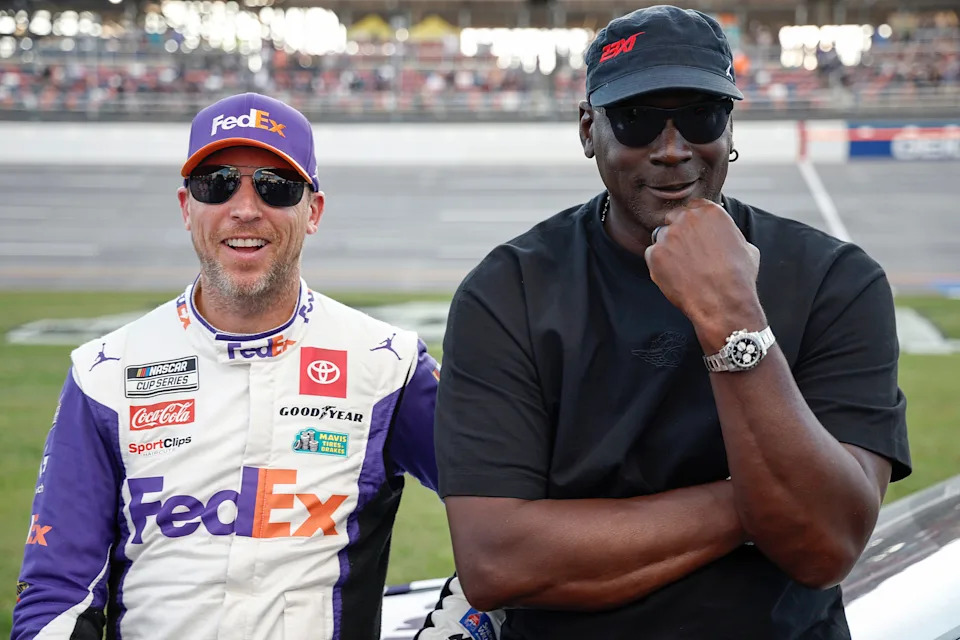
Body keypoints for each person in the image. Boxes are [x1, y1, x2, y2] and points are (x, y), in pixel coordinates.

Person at [434, 6, 911, 640]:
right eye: (635, 119)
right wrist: (762, 500)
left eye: (700, 115)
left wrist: (731, 314)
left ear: (730, 125)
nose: (671, 149)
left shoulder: (837, 281)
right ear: (589, 130)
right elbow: (497, 561)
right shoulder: (508, 292)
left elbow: (826, 546)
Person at [13, 92, 488, 640]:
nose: (244, 208)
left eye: (275, 186)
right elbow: (57, 592)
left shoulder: (388, 365)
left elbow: (514, 514)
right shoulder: (104, 373)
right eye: (215, 183)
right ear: (186, 206)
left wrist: (459, 627)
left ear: (313, 211)